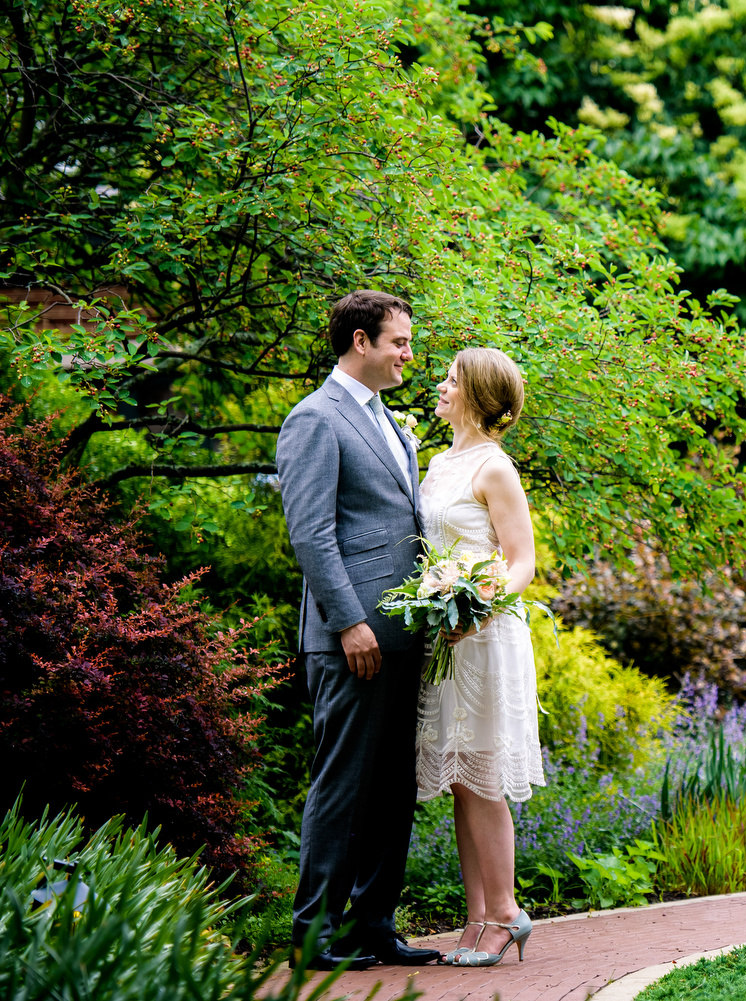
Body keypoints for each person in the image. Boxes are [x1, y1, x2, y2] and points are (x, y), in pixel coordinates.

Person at [275, 290, 442, 971]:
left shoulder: (389, 421)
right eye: (398, 341)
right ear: (360, 342)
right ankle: (313, 932)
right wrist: (349, 621)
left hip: (404, 633)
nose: (408, 353)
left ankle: (372, 924)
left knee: (392, 788)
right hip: (353, 638)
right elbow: (311, 532)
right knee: (342, 786)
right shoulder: (315, 418)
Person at [415, 347, 545, 967]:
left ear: (476, 395)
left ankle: (506, 912)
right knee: (463, 782)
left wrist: (474, 608)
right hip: (446, 641)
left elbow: (522, 561)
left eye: (451, 379)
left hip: (486, 639)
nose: (440, 387)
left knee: (484, 779)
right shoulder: (439, 462)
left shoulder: (495, 468)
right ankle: (476, 916)